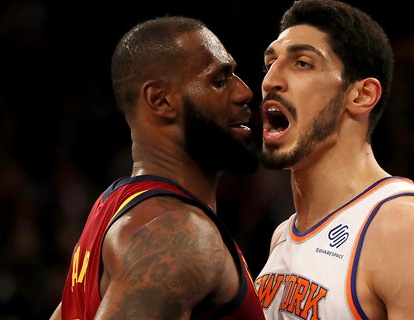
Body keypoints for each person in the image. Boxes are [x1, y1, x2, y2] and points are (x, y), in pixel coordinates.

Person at [253, 0, 414, 319]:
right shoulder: (282, 236)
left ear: (361, 96)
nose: (270, 81)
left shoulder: (412, 232)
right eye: (270, 64)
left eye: (302, 63)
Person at [50, 16, 266, 320]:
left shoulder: (113, 209)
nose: (244, 92)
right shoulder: (180, 234)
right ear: (160, 100)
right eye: (219, 81)